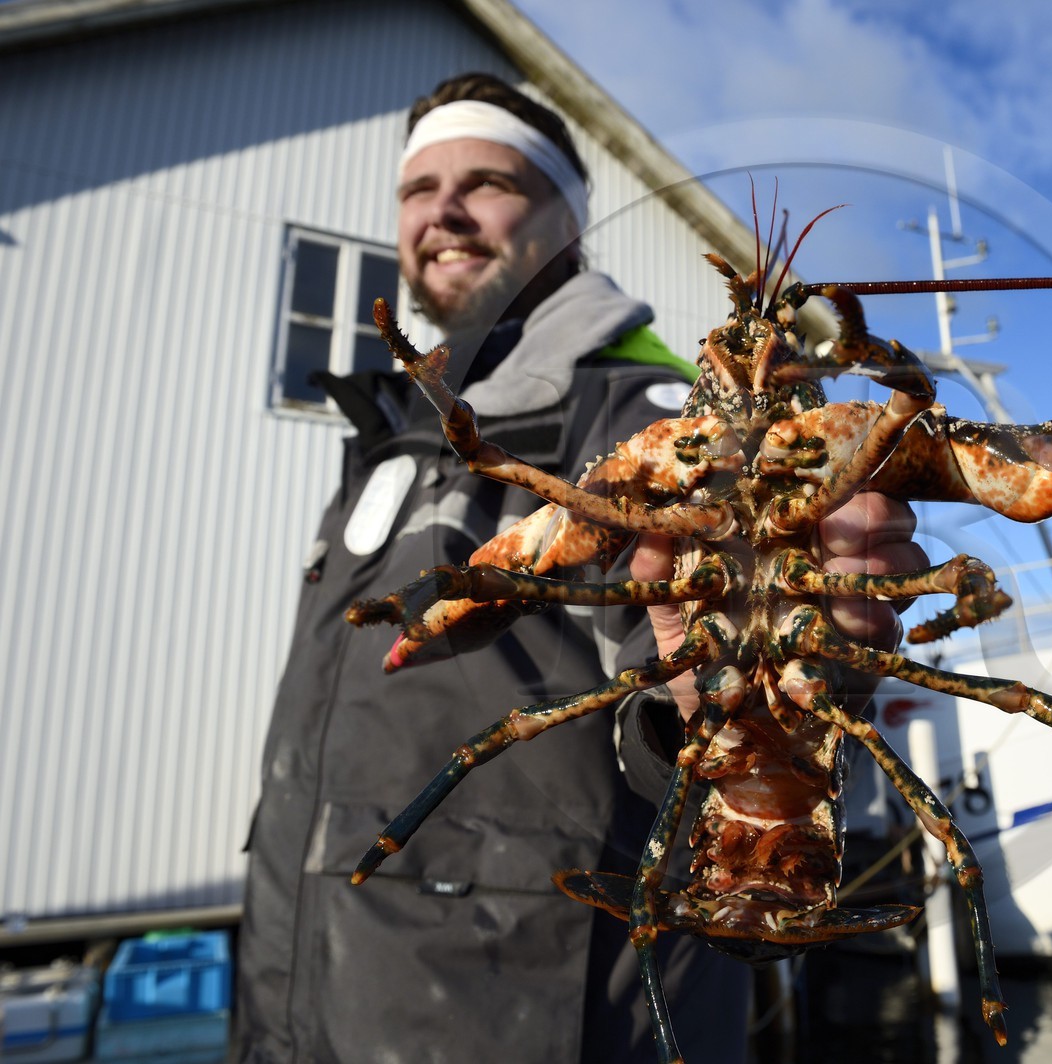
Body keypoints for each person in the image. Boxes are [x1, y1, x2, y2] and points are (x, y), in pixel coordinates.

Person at [234, 73, 921, 1063]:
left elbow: (672, 675)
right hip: (297, 1017)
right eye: (418, 190)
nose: (445, 211)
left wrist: (713, 705)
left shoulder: (646, 415)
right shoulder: (392, 431)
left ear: (566, 216)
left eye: (489, 182)